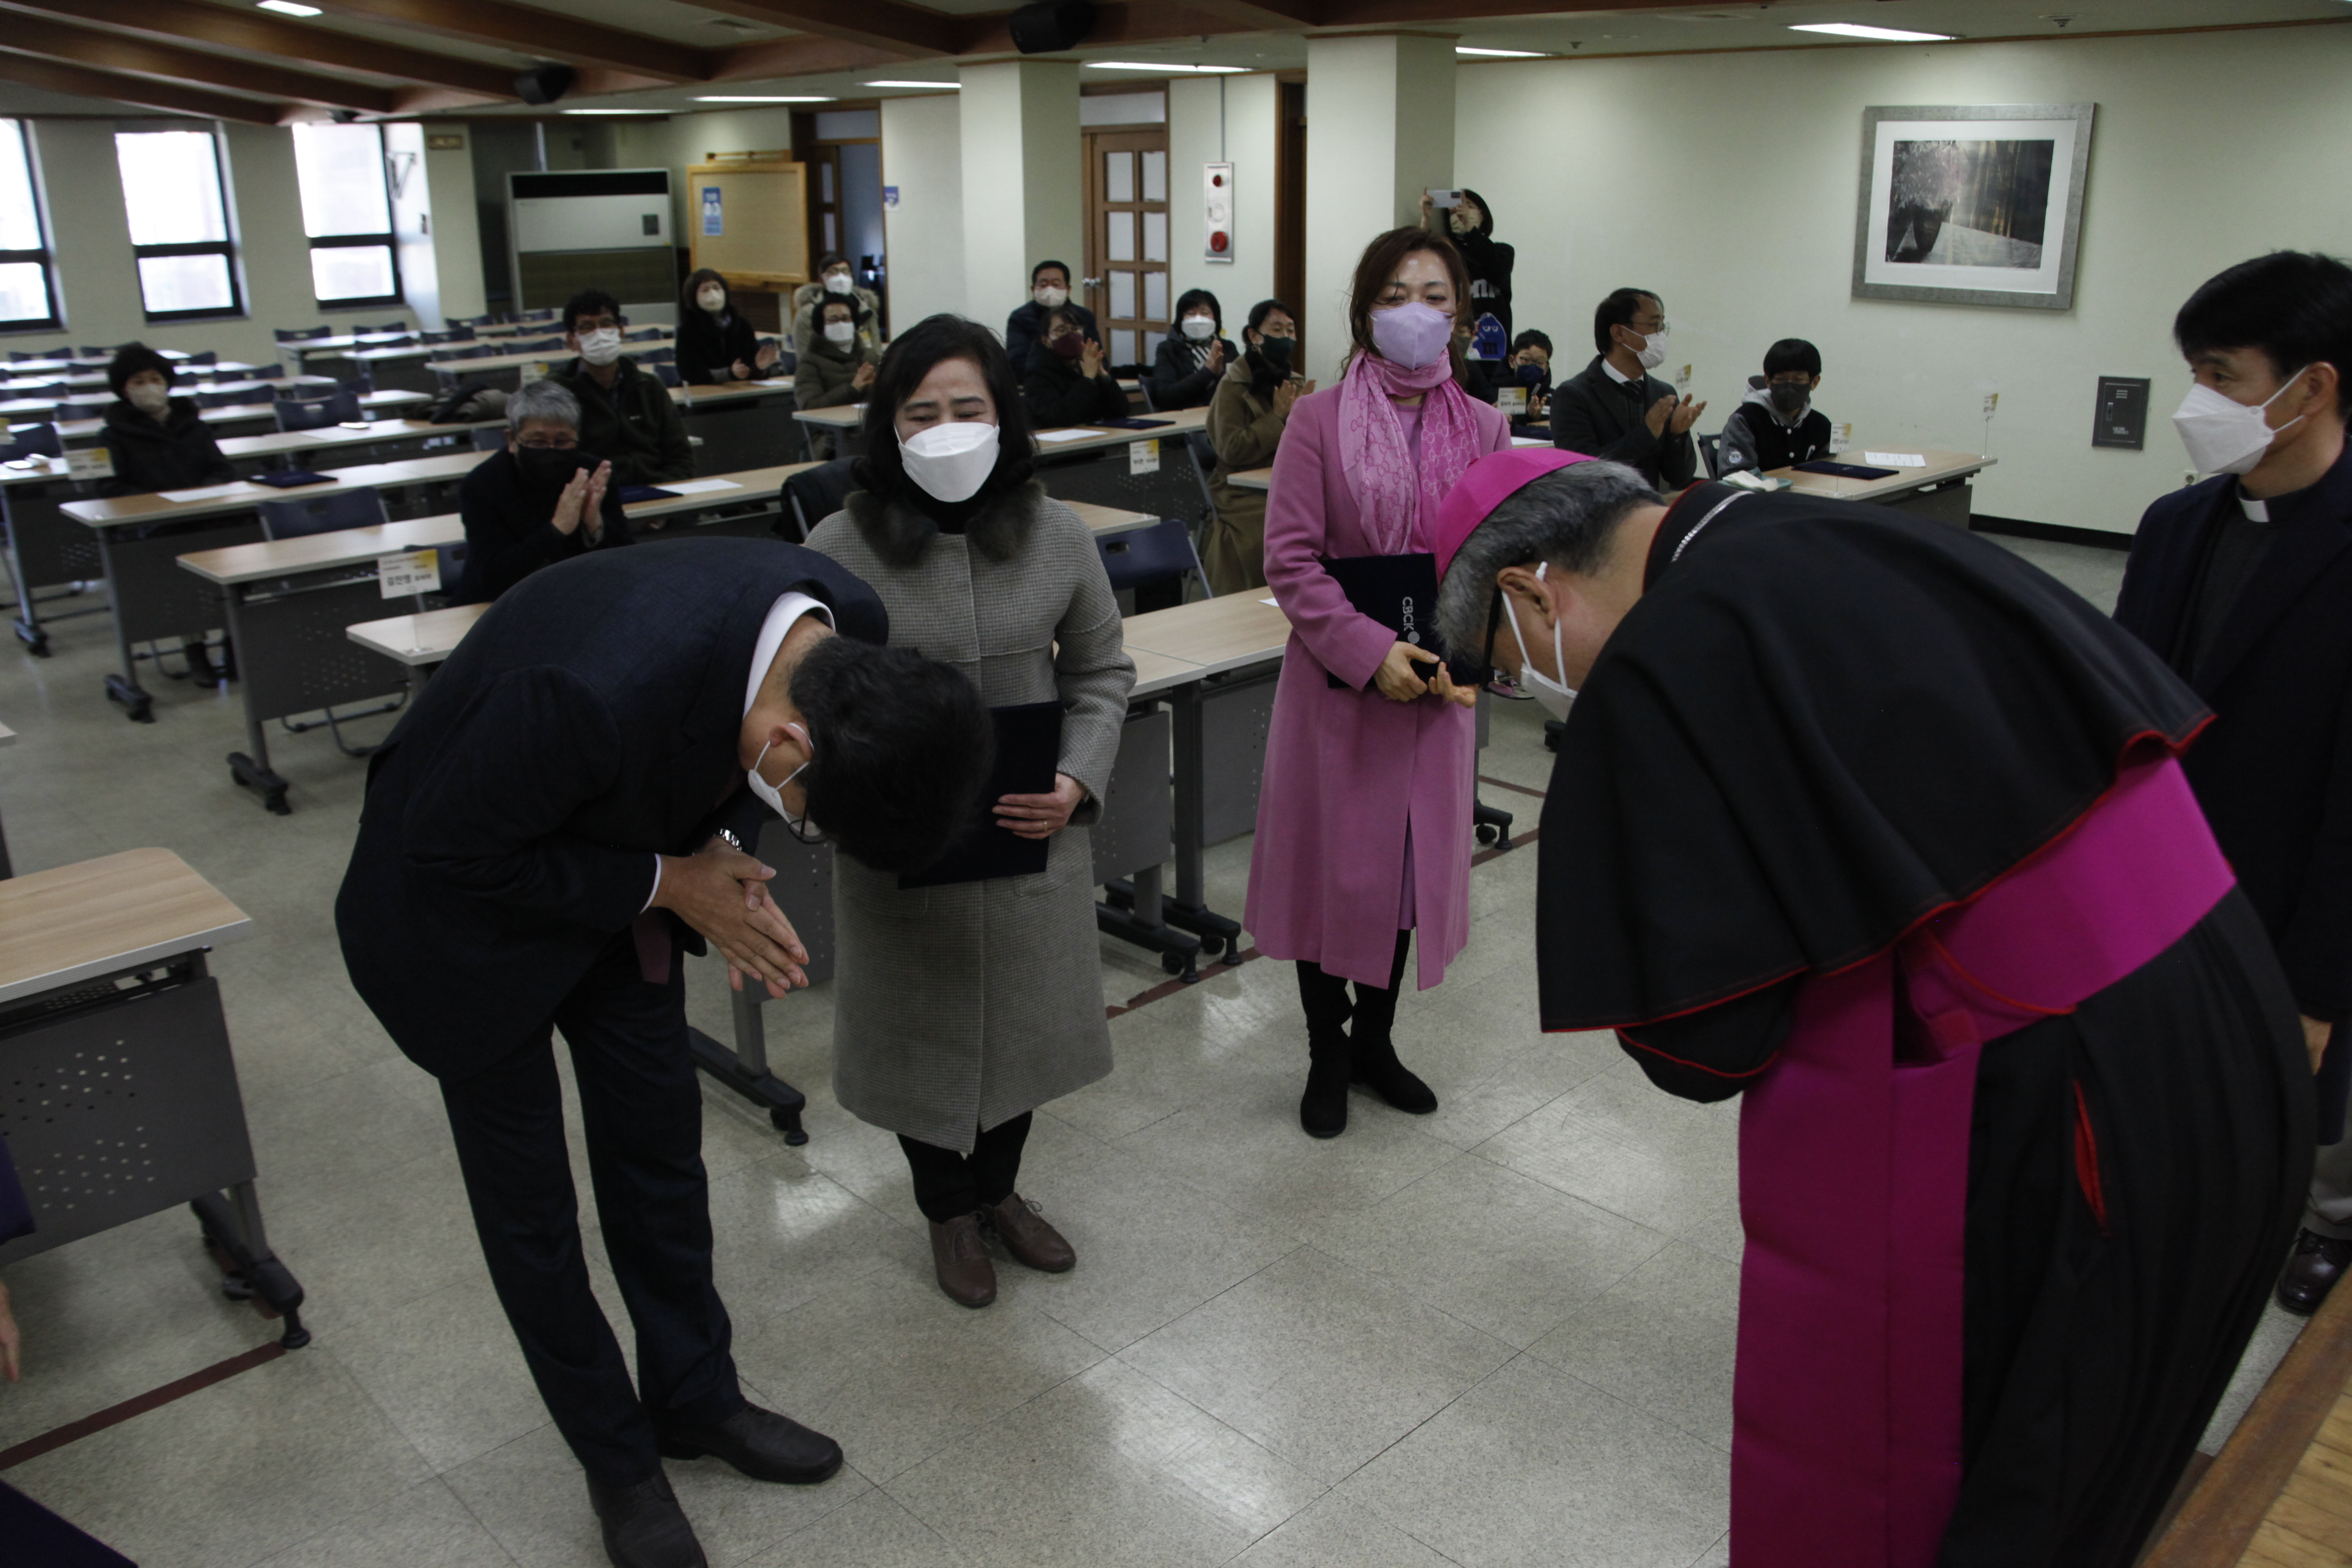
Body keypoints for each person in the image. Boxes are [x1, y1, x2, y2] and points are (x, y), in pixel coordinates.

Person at [1433, 454, 2308, 1568]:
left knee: (2007, 1486)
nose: (1533, 687)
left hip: (2072, 1099)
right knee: (2122, 1446)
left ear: (1529, 593)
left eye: (1509, 669)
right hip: (2223, 1007)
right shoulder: (1841, 535)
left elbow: (1702, 1047)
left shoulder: (1672, 647)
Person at [336, 537, 994, 1568]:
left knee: (659, 1156)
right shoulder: (587, 692)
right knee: (535, 1217)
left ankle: (695, 1398)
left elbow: (738, 764)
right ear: (788, 740)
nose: (799, 828)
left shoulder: (842, 622)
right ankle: (618, 1461)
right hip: (460, 914)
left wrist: (713, 860)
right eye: (810, 817)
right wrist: (666, 879)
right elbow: (448, 846)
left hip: (616, 869)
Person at [807, 314, 1135, 1310]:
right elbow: (800, 702)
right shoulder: (836, 546)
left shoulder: (1058, 533)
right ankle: (945, 1206)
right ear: (888, 426)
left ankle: (998, 1189)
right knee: (921, 1036)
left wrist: (1077, 779)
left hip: (1029, 829)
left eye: (967, 408)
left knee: (1025, 1030)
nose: (946, 430)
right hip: (903, 847)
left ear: (1004, 415)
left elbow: (1102, 673)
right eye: (921, 412)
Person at [2111, 250, 2352, 1317]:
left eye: (2223, 376)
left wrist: (2318, 987)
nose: (2197, 403)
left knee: (2312, 1107)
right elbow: (2117, 702)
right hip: (2167, 877)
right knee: (2179, 1089)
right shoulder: (2180, 522)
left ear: (2313, 388)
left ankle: (2326, 1219)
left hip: (2298, 884)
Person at [1246, 227, 1510, 1139]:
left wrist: (1471, 655)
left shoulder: (1485, 426)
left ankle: (1377, 1042)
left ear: (1461, 317)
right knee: (1333, 877)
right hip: (1337, 691)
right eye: (1399, 293)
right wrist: (1370, 653)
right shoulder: (1316, 420)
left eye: (1437, 296)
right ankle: (1327, 1048)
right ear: (1365, 310)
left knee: (1401, 877)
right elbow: (1291, 562)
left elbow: (1490, 560)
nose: (1418, 312)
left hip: (1435, 694)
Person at [99, 344, 235, 688]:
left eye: (155, 378)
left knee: (233, 557)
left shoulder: (194, 426)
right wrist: (156, 505)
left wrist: (205, 493)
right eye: (139, 380)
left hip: (207, 515)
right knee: (182, 585)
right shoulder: (113, 434)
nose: (149, 386)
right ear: (124, 389)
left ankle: (234, 644)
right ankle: (196, 650)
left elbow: (221, 469)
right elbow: (110, 486)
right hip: (158, 526)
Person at [456, 379, 632, 603]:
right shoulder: (482, 485)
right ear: (511, 440)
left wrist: (595, 527)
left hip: (578, 598)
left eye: (562, 442)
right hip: (501, 605)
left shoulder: (592, 474)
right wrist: (556, 530)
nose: (551, 450)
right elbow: (493, 578)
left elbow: (628, 560)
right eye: (537, 442)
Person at [1203, 299, 1313, 594]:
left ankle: (1315, 597)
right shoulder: (1232, 386)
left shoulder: (1294, 381)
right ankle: (1267, 599)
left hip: (1288, 480)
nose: (1286, 338)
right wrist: (1276, 418)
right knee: (1276, 522)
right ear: (1254, 336)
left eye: (1291, 331)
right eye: (1276, 329)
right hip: (1240, 490)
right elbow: (1231, 449)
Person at [1550, 287, 1703, 490]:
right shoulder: (1573, 395)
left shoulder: (1663, 393)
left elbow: (1679, 476)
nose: (1661, 336)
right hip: (1599, 516)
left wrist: (1677, 436)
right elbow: (1582, 473)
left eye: (1662, 326)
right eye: (1654, 325)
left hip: (1649, 510)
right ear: (1619, 333)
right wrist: (1646, 435)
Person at [547, 289, 694, 488]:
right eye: (587, 327)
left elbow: (681, 455)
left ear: (621, 332)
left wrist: (664, 501)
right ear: (572, 340)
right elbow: (557, 466)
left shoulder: (650, 386)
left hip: (660, 494)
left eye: (607, 324)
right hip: (595, 503)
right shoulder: (556, 394)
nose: (599, 334)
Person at [1718, 338, 1834, 477]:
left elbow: (1830, 473)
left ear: (1814, 382)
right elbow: (1735, 477)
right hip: (1761, 498)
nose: (1790, 388)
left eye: (1799, 380)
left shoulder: (1821, 425)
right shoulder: (1745, 421)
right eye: (1781, 380)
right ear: (1768, 381)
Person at [1421, 188, 1513, 352]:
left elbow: (1496, 269)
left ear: (1482, 214)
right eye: (1456, 209)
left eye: (1468, 206)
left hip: (1494, 346)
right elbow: (1422, 263)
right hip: (1455, 344)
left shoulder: (1502, 251)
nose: (1461, 212)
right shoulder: (1448, 256)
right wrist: (1426, 221)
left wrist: (1472, 231)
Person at [792, 295, 882, 459]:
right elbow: (810, 407)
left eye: (846, 319)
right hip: (833, 439)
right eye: (833, 320)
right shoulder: (810, 362)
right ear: (821, 327)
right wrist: (852, 389)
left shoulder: (870, 356)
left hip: (872, 430)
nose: (841, 324)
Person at [1020, 306, 1130, 428]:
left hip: (1093, 436)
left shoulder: (1084, 364)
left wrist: (1104, 376)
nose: (1070, 335)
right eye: (1061, 330)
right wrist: (1087, 380)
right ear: (1046, 340)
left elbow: (1121, 411)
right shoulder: (1037, 373)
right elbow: (1059, 418)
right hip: (1058, 442)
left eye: (1075, 329)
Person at [676, 268, 780, 385]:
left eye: (716, 288)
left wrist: (760, 367)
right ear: (693, 296)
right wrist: (730, 374)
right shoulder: (688, 330)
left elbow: (752, 369)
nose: (713, 294)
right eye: (705, 290)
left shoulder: (741, 325)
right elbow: (690, 373)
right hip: (707, 397)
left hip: (743, 395)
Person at [1146, 289, 1235, 411]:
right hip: (1186, 417)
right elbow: (1166, 397)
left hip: (1224, 416)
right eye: (1191, 313)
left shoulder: (1227, 347)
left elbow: (1239, 392)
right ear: (1181, 319)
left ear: (1215, 319)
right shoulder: (1169, 349)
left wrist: (1221, 374)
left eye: (1205, 313)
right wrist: (1207, 373)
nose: (1198, 319)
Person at [1003, 260, 1096, 370]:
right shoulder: (1020, 318)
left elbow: (1098, 358)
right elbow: (1017, 363)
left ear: (1068, 289)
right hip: (1036, 378)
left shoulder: (1084, 316)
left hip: (1078, 377)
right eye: (1043, 285)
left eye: (1056, 284)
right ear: (1033, 289)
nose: (1050, 289)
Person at [789, 252, 883, 357]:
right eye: (833, 272)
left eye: (845, 272)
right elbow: (804, 353)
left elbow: (876, 346)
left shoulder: (865, 308)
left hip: (864, 367)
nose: (841, 277)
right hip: (826, 370)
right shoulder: (809, 312)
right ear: (822, 279)